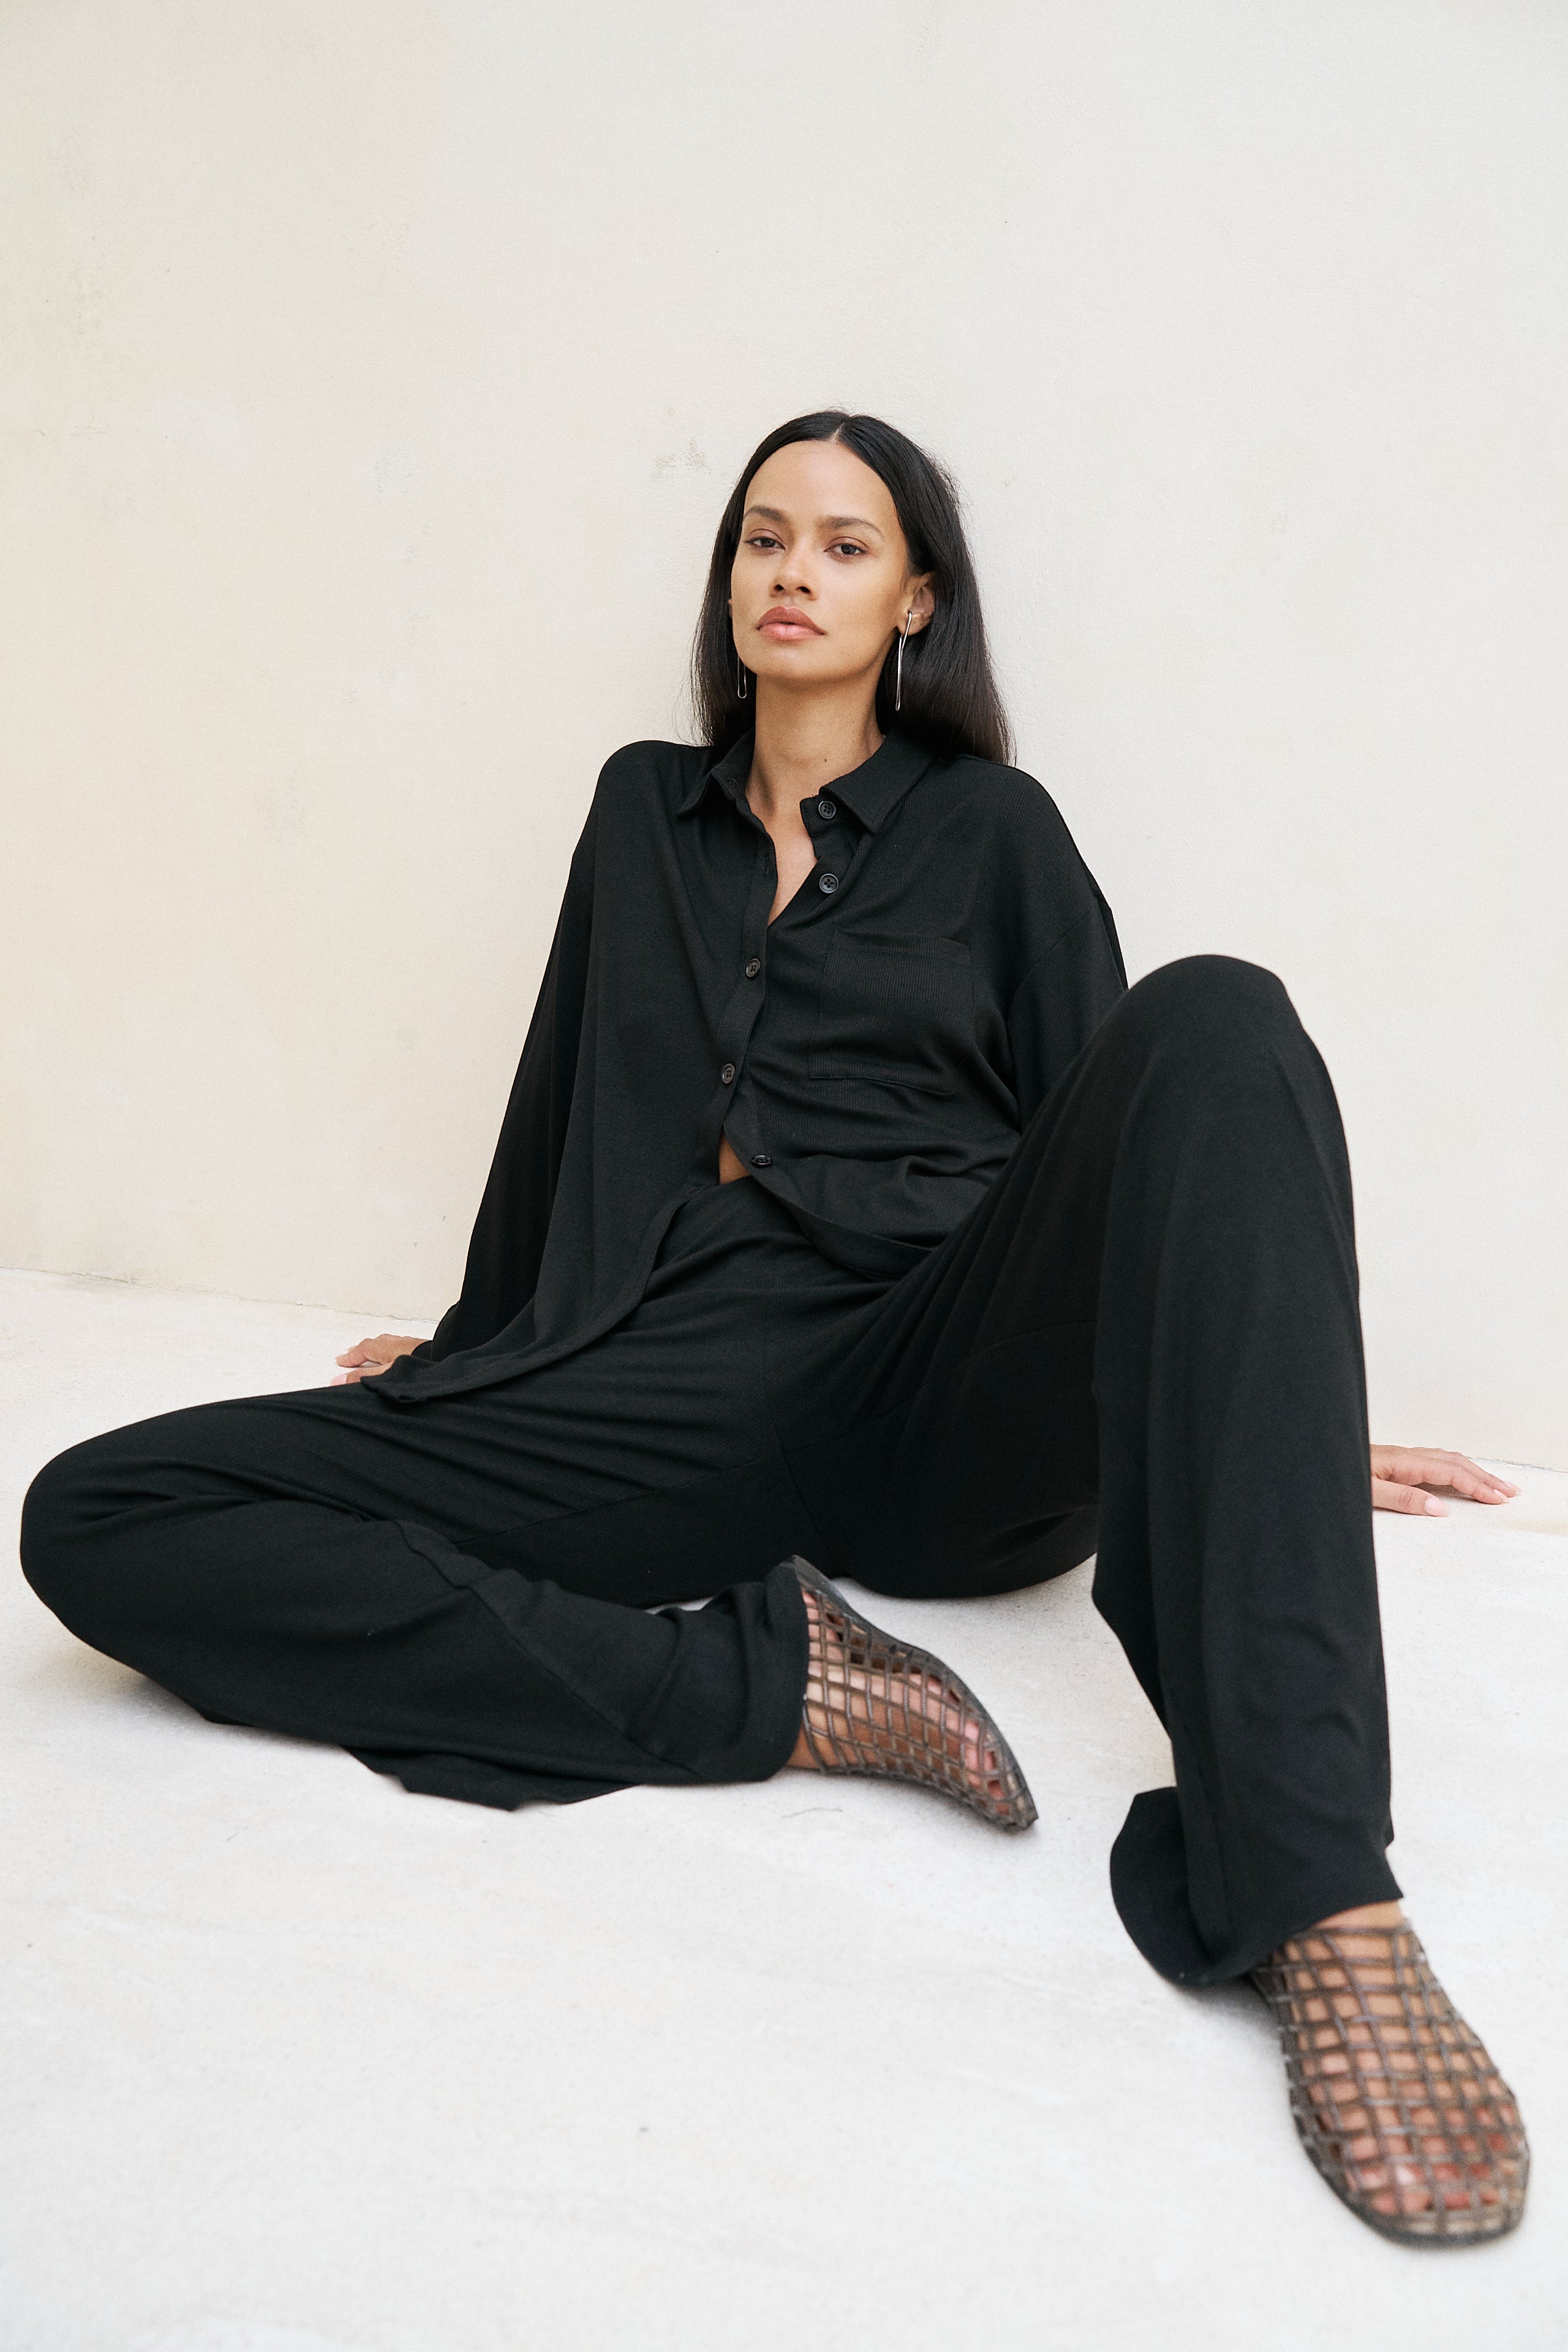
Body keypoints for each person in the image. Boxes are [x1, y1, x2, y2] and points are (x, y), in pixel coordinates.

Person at [20, 411, 1528, 2245]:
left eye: (842, 543)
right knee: (101, 1510)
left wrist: (1269, 1417)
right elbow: (559, 1104)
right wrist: (486, 1341)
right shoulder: (637, 815)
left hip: (937, 1375)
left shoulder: (995, 834)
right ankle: (776, 1691)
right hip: (667, 1376)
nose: (791, 572)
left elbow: (1134, 1160)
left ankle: (1321, 1897)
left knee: (1222, 1015)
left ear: (917, 602)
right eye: (762, 536)